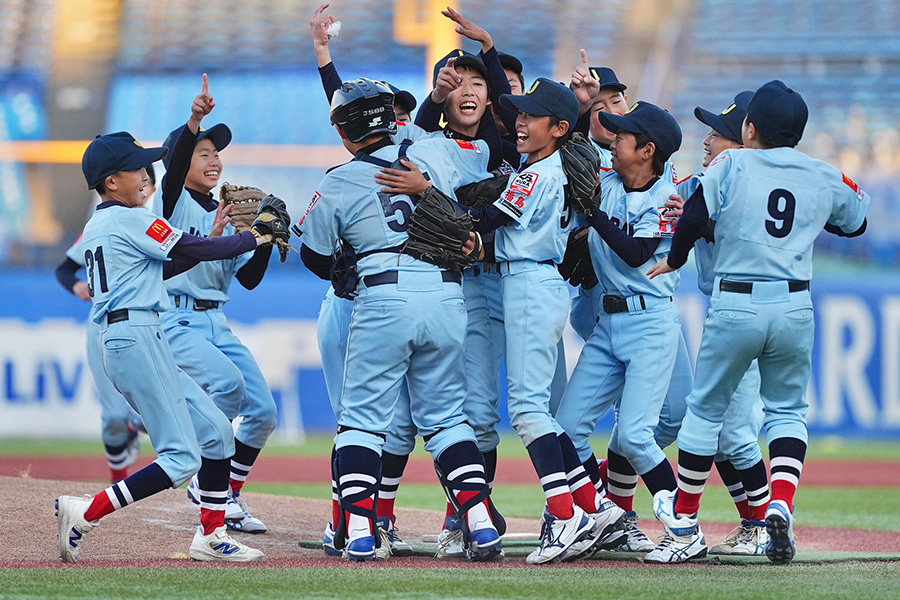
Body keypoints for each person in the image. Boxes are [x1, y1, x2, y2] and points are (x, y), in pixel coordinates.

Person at [646, 80, 870, 564]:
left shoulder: (731, 162)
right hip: (794, 303)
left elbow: (694, 216)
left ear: (749, 128)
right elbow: (856, 222)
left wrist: (679, 257)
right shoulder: (820, 172)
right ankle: (781, 506)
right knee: (787, 412)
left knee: (705, 412)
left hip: (737, 301)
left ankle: (683, 524)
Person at [55, 128, 286, 563]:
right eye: (136, 169)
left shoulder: (103, 222)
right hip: (135, 336)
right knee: (182, 459)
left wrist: (226, 240)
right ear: (110, 182)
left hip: (138, 333)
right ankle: (86, 511)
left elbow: (166, 267)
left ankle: (212, 536)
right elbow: (191, 245)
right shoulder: (130, 217)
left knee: (217, 432)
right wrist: (254, 237)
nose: (146, 175)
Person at [298, 77, 505, 563]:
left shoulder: (339, 179)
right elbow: (485, 164)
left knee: (363, 423)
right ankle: (478, 521)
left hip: (385, 294)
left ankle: (362, 532)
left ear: (345, 132)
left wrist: (343, 270)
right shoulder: (433, 151)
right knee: (449, 420)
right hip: (447, 293)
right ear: (392, 117)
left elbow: (314, 256)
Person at [458, 78, 629, 565]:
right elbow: (504, 231)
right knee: (540, 409)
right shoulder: (543, 165)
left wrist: (431, 196)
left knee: (529, 410)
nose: (519, 121)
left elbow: (489, 217)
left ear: (557, 128)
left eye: (531, 116)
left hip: (531, 284)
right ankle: (594, 508)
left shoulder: (537, 172)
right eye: (519, 113)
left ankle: (564, 513)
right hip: (532, 279)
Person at [564, 53, 691, 553]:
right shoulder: (608, 174)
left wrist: (593, 214)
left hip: (648, 320)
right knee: (568, 429)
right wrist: (577, 108)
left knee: (643, 432)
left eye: (622, 132)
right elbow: (571, 150)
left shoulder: (666, 191)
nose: (613, 136)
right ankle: (609, 516)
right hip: (605, 322)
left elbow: (639, 252)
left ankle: (683, 526)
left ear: (648, 149)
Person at [156, 75, 277, 535]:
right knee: (227, 386)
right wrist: (195, 121)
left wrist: (264, 236)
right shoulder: (171, 202)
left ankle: (225, 493)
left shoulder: (228, 207)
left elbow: (247, 278)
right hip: (177, 318)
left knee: (263, 412)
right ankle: (192, 454)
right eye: (204, 152)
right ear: (182, 159)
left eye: (216, 152)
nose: (215, 159)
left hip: (215, 321)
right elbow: (173, 172)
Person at [671, 91, 771, 556]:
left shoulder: (760, 184)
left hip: (751, 309)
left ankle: (764, 525)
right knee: (719, 431)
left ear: (745, 142)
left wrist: (695, 225)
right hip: (725, 309)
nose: (708, 141)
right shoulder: (702, 183)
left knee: (729, 431)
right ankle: (756, 525)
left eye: (718, 134)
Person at [54, 169, 158, 484]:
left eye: (147, 177)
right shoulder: (102, 223)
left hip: (153, 323)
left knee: (156, 412)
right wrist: (76, 286)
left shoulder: (161, 220)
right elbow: (65, 269)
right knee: (113, 417)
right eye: (138, 174)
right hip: (104, 323)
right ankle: (117, 484)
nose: (143, 182)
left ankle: (136, 426)